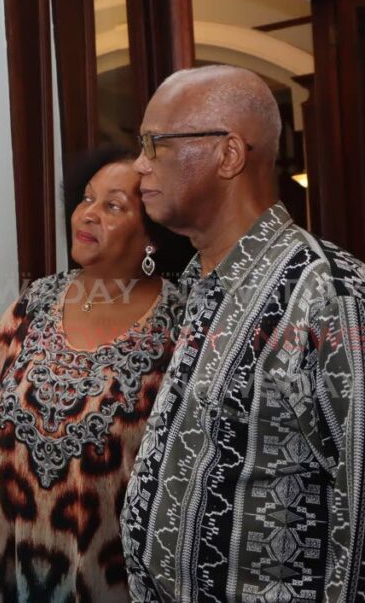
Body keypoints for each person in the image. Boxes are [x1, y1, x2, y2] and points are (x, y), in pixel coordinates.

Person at [121, 65, 365, 602]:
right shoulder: (199, 284)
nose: (139, 164)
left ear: (229, 154)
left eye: (155, 143)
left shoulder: (327, 293)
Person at [0, 146, 193, 602]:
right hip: (14, 580)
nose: (88, 214)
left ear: (153, 237)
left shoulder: (183, 324)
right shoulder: (36, 301)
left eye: (113, 206)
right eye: (86, 198)